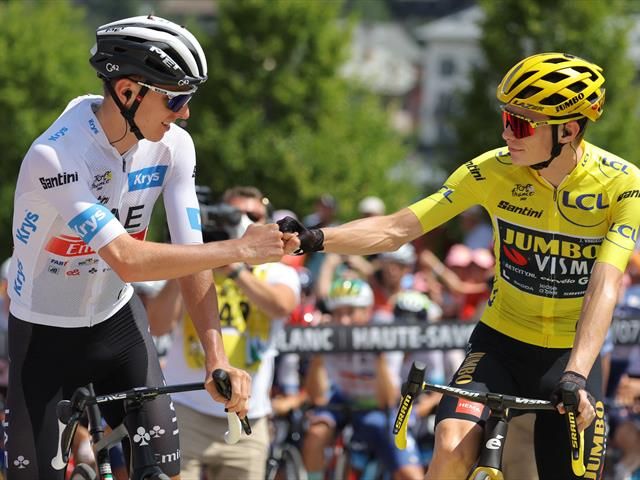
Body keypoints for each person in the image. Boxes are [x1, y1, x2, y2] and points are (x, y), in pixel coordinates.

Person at [279, 52, 640, 479]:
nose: (507, 132)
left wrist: (577, 374)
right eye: (506, 118)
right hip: (500, 343)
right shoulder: (491, 171)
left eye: (521, 124)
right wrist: (313, 239)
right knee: (450, 446)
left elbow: (606, 282)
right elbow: (398, 229)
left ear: (570, 129)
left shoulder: (622, 183)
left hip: (569, 355)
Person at [7, 16, 290, 479]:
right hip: (44, 336)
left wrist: (216, 357)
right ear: (126, 92)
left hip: (118, 325)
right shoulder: (56, 155)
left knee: (164, 473)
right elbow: (128, 259)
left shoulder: (174, 147)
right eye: (175, 98)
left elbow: (191, 256)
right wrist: (240, 249)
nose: (185, 113)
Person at [154, 186, 301, 480]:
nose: (244, 221)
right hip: (186, 412)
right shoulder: (197, 261)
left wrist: (235, 268)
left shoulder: (278, 271)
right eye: (234, 214)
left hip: (248, 414)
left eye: (253, 215)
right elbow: (157, 324)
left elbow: (281, 307)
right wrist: (187, 259)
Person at [302, 277, 424, 480]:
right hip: (343, 402)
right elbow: (316, 398)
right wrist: (318, 356)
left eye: (350, 312)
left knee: (411, 475)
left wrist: (378, 357)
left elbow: (388, 399)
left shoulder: (385, 330)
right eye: (337, 313)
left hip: (379, 407)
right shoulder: (329, 334)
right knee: (315, 435)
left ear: (367, 311)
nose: (343, 321)